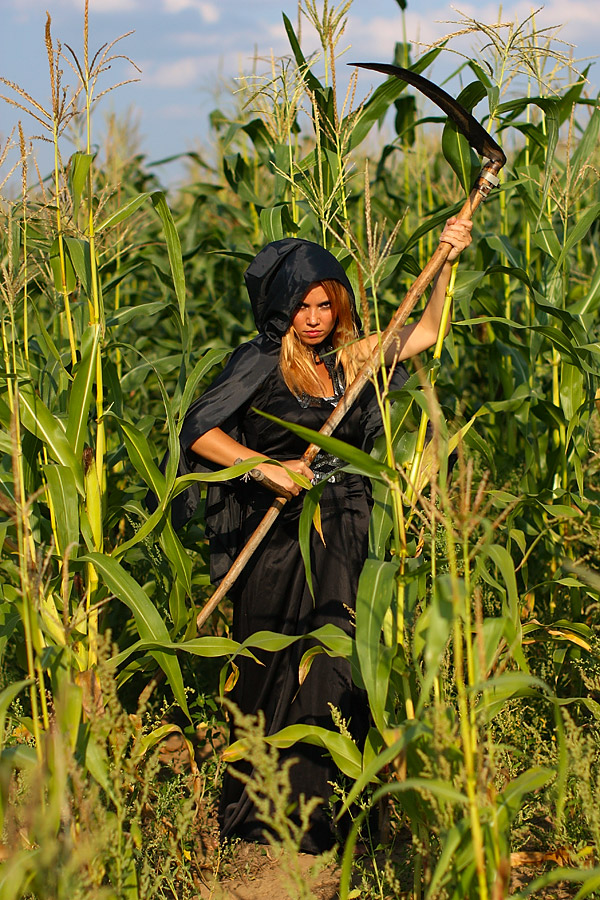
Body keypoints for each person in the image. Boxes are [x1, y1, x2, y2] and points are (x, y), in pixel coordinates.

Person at [172, 218, 472, 853]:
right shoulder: (260, 363)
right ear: (282, 307)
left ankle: (324, 813)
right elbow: (200, 429)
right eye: (302, 306)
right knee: (268, 656)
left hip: (343, 519)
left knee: (336, 655)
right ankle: (255, 814)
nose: (313, 318)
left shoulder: (350, 356)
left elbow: (425, 332)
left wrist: (444, 262)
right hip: (277, 528)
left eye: (324, 305)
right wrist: (266, 467)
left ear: (339, 306)